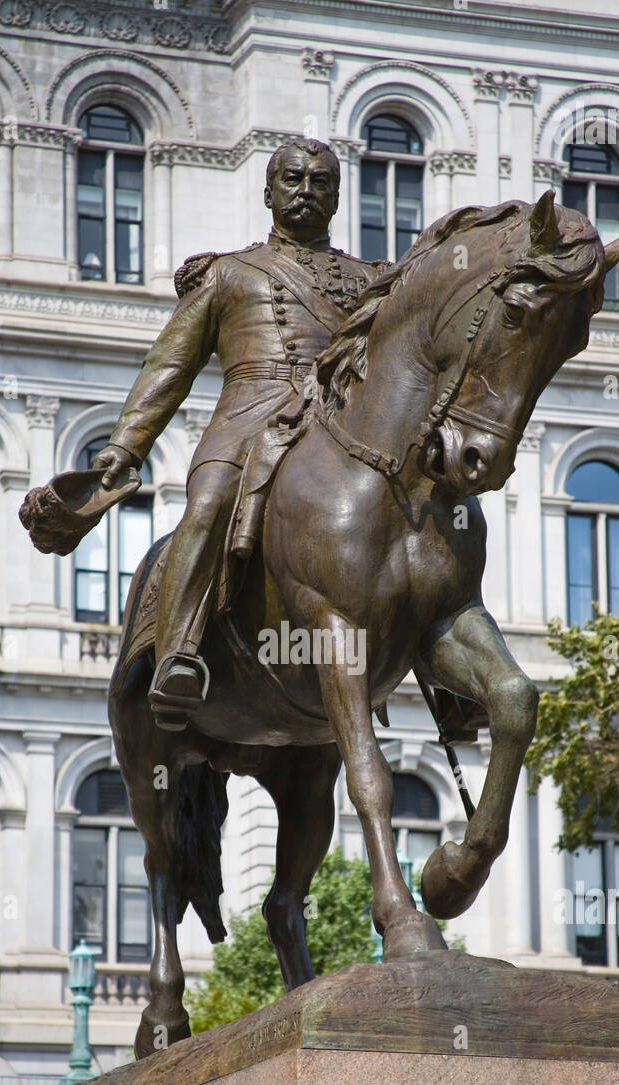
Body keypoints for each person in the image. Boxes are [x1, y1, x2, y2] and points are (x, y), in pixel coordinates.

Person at [93, 138, 384, 730]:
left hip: (341, 419)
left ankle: (445, 678)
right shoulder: (227, 273)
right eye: (293, 179)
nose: (306, 191)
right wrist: (126, 447)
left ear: (336, 196)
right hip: (251, 415)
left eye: (320, 182)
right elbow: (168, 368)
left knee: (426, 510)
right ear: (268, 192)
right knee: (206, 505)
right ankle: (180, 652)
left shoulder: (371, 280)